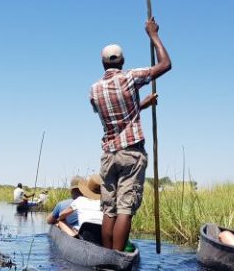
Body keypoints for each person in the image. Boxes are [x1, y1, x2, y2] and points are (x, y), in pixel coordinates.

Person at [90, 18, 172, 251]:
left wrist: (142, 105)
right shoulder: (129, 77)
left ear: (102, 63)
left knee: (109, 209)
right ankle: (119, 258)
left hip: (109, 155)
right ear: (122, 61)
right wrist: (153, 34)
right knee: (125, 208)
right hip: (131, 154)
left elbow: (116, 116)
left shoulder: (94, 89)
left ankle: (107, 256)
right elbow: (165, 64)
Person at [57, 174, 103, 244]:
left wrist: (60, 219)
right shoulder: (104, 203)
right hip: (101, 235)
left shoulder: (80, 200)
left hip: (85, 235)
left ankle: (74, 237)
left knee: (60, 222)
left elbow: (61, 215)